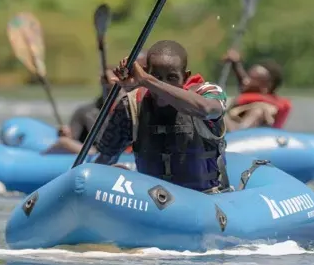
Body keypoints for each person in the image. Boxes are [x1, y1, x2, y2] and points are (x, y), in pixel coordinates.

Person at [94, 40, 229, 192]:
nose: (162, 84)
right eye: (156, 76)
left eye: (171, 78)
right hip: (153, 205)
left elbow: (206, 109)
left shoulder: (208, 93)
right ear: (145, 71)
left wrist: (147, 81)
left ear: (185, 77)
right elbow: (105, 157)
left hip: (206, 200)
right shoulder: (130, 105)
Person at [44, 50, 148, 155]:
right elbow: (72, 139)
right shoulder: (84, 111)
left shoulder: (134, 102)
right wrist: (65, 134)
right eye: (104, 80)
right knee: (64, 142)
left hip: (127, 152)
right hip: (96, 152)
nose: (106, 83)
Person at [220, 48, 292, 130]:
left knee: (258, 111)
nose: (246, 81)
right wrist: (236, 64)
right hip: (233, 130)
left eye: (252, 79)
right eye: (248, 76)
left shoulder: (268, 107)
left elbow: (244, 84)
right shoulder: (250, 93)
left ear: (265, 87)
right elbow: (244, 82)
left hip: (248, 137)